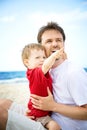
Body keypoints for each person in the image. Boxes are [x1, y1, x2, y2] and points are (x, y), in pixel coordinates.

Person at [0, 22, 87, 130]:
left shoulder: (73, 72)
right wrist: (31, 110)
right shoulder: (47, 70)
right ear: (41, 47)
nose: (55, 44)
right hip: (42, 115)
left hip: (58, 125)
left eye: (59, 40)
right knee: (3, 103)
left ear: (63, 44)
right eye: (49, 41)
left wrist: (52, 106)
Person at [21, 43, 63, 130]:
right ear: (27, 62)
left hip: (42, 111)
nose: (42, 60)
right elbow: (46, 65)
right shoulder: (33, 72)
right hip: (39, 115)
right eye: (37, 57)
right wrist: (54, 56)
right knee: (55, 126)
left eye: (44, 57)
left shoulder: (44, 72)